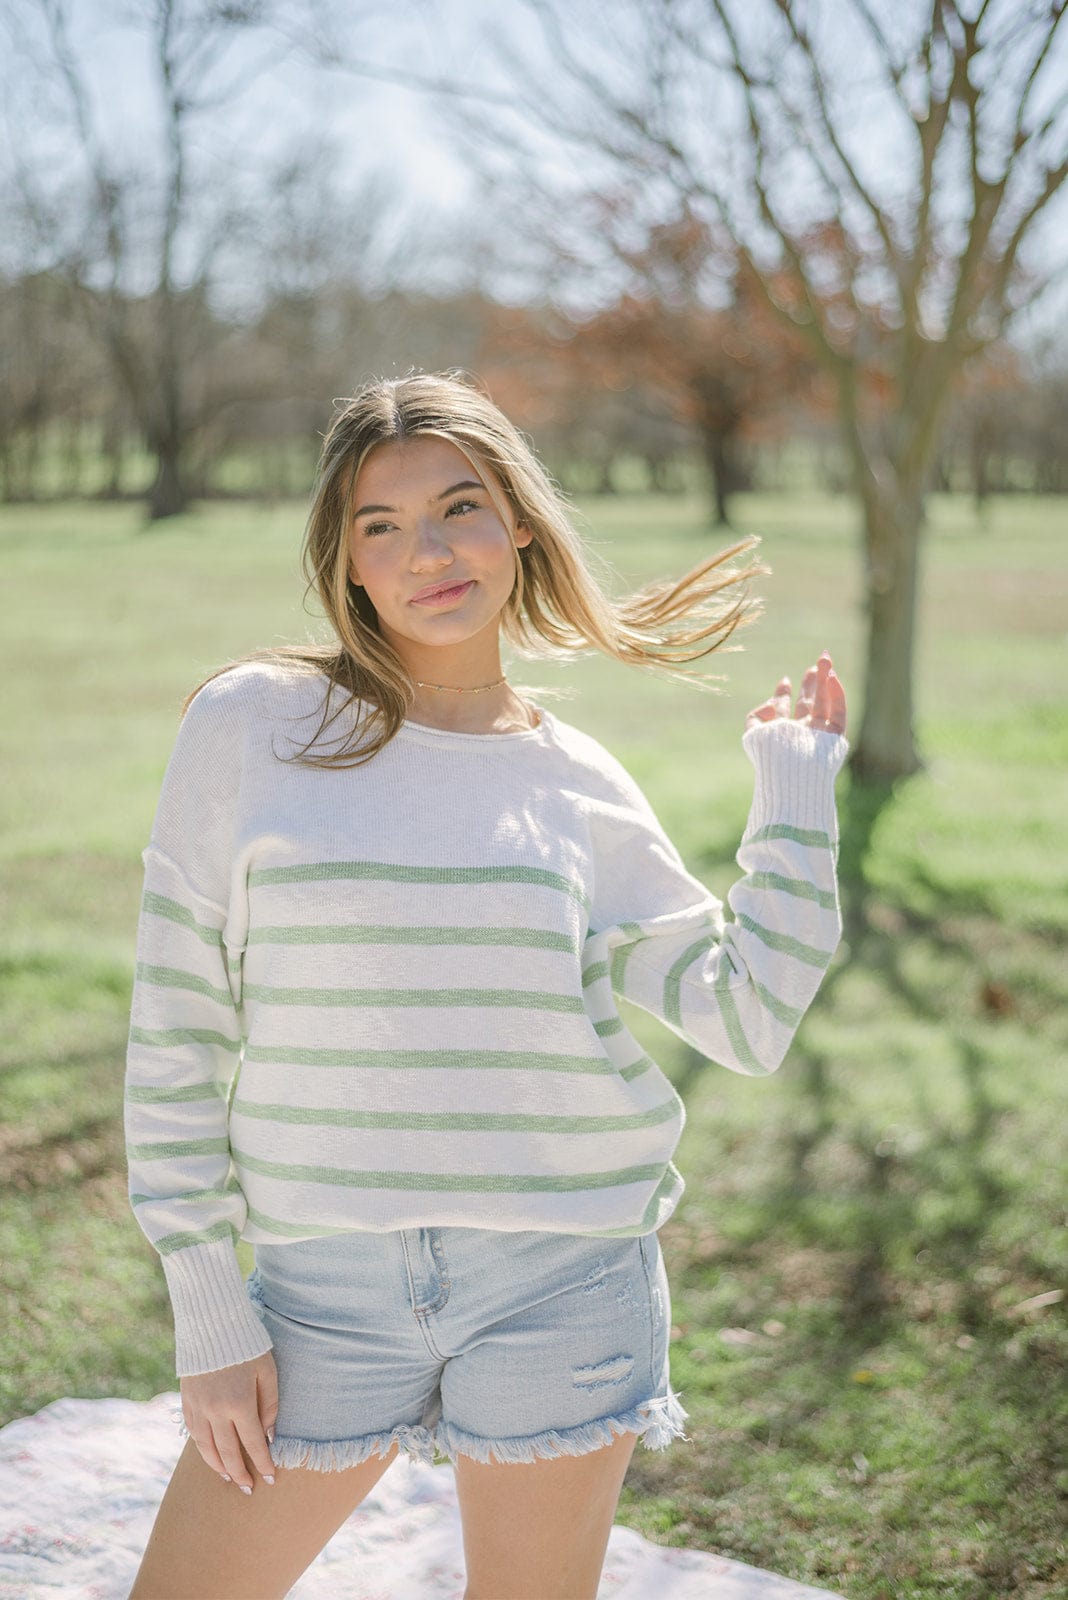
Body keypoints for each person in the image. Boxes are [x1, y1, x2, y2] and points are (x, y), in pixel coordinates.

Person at [123, 369, 849, 1600]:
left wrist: (795, 801)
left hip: (564, 1280)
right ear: (346, 562)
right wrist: (207, 1303)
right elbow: (177, 1024)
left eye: (460, 507)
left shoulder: (578, 782)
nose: (429, 552)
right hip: (322, 1292)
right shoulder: (255, 728)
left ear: (517, 519)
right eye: (382, 525)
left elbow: (747, 1014)